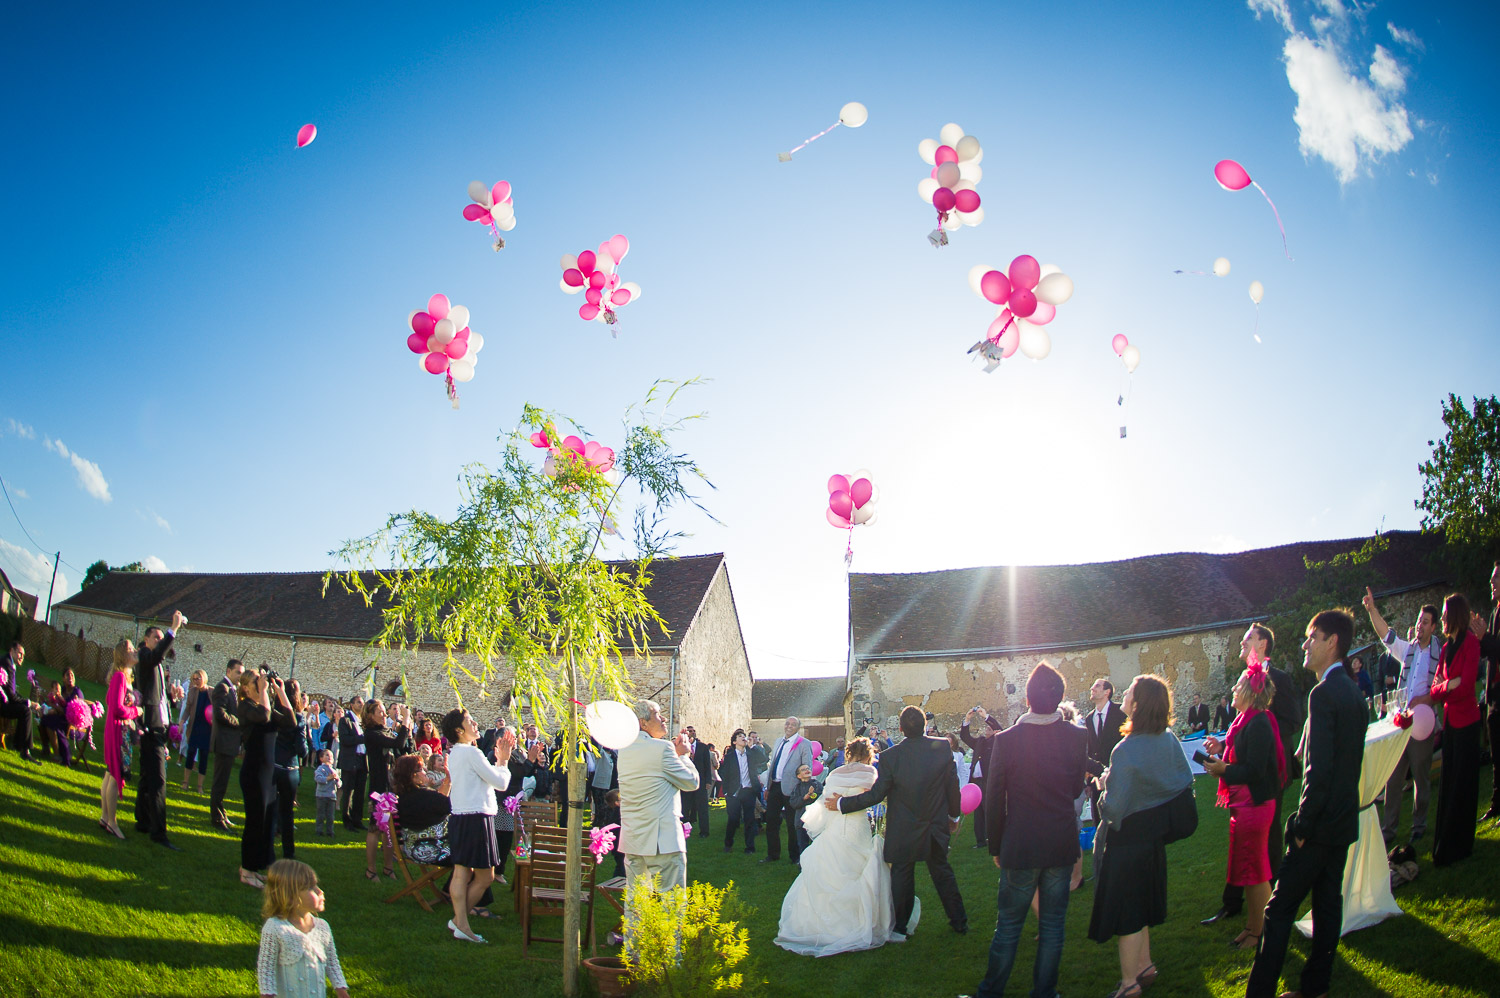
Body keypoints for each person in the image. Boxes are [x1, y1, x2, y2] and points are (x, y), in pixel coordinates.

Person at [1246, 609, 1366, 998]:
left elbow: (1321, 771)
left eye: (1312, 637)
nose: (1305, 644)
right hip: (1345, 821)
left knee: (1278, 911)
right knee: (1328, 907)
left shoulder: (1323, 692)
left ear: (1333, 643)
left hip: (1318, 828)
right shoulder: (1354, 692)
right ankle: (1317, 989)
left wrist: (1301, 825)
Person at [964, 663, 1087, 998]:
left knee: (1009, 926)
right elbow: (1076, 788)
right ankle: (1044, 992)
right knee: (1051, 926)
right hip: (1059, 841)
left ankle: (991, 992)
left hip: (1021, 843)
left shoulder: (1009, 739)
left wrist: (995, 847)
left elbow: (994, 797)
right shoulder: (1076, 735)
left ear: (1028, 700)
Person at [1088, 674, 1193, 998]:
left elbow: (1114, 810)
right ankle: (1145, 965)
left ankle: (1129, 983)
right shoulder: (1169, 739)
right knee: (1143, 904)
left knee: (1128, 913)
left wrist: (1104, 787)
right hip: (1153, 840)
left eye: (1130, 692)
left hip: (1126, 843)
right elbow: (1183, 780)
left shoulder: (1126, 749)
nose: (1124, 697)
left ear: (1138, 703)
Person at [826, 704, 967, 939]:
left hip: (904, 827)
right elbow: (952, 786)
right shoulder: (942, 748)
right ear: (925, 726)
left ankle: (900, 927)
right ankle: (959, 921)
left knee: (902, 875)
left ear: (900, 728)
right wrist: (953, 815)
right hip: (933, 823)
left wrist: (842, 803)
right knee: (941, 872)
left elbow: (877, 794)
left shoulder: (891, 757)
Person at [1202, 624, 1305, 927]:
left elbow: (1292, 720)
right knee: (1242, 840)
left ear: (1261, 643)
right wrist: (1225, 744)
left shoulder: (1280, 679)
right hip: (1243, 771)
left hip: (1267, 772)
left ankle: (1269, 906)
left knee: (1267, 841)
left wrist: (1263, 735)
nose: (1241, 649)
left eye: (1245, 642)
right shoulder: (1244, 681)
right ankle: (1233, 903)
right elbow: (1240, 726)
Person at [775, 737, 897, 956]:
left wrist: (837, 804)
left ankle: (821, 925)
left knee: (830, 870)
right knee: (856, 868)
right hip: (857, 827)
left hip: (834, 829)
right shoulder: (870, 773)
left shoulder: (834, 774)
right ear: (868, 754)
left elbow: (826, 804)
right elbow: (874, 798)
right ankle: (857, 923)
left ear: (848, 754)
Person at [1201, 661, 1286, 951]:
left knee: (1256, 871)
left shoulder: (1260, 722)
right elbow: (1242, 753)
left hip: (1255, 805)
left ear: (1250, 691)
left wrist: (1224, 770)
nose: (1233, 690)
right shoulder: (1244, 722)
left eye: (1237, 686)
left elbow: (1255, 770)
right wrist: (1221, 749)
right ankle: (1252, 925)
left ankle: (1260, 931)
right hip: (1243, 805)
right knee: (1249, 872)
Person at [1361, 590, 1441, 845]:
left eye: (1425, 622)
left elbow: (1443, 686)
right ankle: (1389, 830)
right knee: (1393, 778)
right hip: (1402, 722)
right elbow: (1386, 635)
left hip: (1424, 724)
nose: (1419, 626)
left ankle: (1419, 824)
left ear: (1434, 626)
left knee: (1420, 776)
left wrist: (1425, 700)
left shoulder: (1441, 654)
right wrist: (1372, 609)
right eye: (1418, 621)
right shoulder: (1408, 650)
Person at [441, 707, 514, 943]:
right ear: (459, 730)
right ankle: (461, 922)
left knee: (469, 873)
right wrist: (503, 760)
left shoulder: (457, 753)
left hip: (463, 816)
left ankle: (459, 920)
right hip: (474, 817)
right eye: (469, 721)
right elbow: (500, 782)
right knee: (478, 876)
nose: (475, 724)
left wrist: (497, 761)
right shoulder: (471, 754)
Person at [618, 699, 699, 892]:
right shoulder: (663, 748)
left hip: (633, 837)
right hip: (662, 841)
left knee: (636, 902)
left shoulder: (624, 750)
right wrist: (684, 756)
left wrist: (675, 754)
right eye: (657, 714)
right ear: (643, 723)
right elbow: (691, 782)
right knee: (672, 902)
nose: (663, 718)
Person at [1429, 593, 1481, 866]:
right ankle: (1447, 841)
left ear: (1456, 614)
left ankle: (1462, 843)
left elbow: (1469, 685)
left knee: (1465, 783)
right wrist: (1449, 685)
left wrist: (1448, 687)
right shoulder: (1447, 648)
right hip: (1451, 723)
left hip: (1468, 722)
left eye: (1446, 613)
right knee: (1450, 784)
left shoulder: (1471, 643)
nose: (1444, 618)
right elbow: (1436, 689)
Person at [255, 858, 349, 998]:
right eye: (311, 888)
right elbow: (266, 970)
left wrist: (341, 991)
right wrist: (267, 995)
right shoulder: (275, 928)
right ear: (291, 896)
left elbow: (332, 963)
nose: (320, 891)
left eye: (317, 885)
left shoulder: (322, 927)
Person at [239, 669, 295, 889]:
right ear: (245, 687)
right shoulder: (245, 707)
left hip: (268, 773)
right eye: (255, 680)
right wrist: (264, 691)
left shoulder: (265, 706)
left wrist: (280, 691)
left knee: (266, 822)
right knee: (254, 821)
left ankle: (256, 866)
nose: (260, 683)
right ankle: (246, 870)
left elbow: (290, 722)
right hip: (253, 772)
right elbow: (263, 716)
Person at [133, 612, 185, 850]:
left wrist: (173, 700)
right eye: (157, 636)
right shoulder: (144, 655)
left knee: (147, 776)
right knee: (158, 781)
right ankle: (159, 833)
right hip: (151, 726)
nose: (160, 639)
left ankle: (142, 821)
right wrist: (173, 629)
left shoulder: (155, 664)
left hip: (159, 725)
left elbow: (157, 697)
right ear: (146, 639)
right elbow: (155, 656)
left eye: (162, 637)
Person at [361, 699, 411, 880]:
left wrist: (406, 728)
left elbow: (403, 747)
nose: (384, 715)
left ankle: (388, 867)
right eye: (380, 712)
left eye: (384, 711)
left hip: (391, 789)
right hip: (378, 789)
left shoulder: (385, 731)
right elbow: (397, 744)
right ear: (370, 715)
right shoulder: (372, 734)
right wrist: (405, 721)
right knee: (375, 829)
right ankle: (371, 869)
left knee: (390, 830)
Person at [99, 639, 142, 839]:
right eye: (131, 650)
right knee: (115, 775)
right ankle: (112, 822)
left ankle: (105, 817)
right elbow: (116, 707)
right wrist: (136, 710)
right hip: (117, 731)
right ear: (123, 655)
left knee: (110, 774)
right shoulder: (119, 677)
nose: (135, 652)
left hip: (119, 730)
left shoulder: (124, 677)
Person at [761, 716, 814, 865]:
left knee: (792, 824)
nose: (789, 726)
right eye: (787, 723)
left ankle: (795, 856)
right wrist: (768, 786)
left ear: (798, 727)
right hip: (775, 787)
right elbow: (772, 765)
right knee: (771, 821)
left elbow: (807, 767)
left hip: (793, 789)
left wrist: (802, 789)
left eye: (793, 724)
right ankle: (772, 854)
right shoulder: (779, 741)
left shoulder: (803, 744)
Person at [1472, 560, 1500, 822]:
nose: (1491, 584)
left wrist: (1486, 639)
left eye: (1495, 579)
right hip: (1494, 693)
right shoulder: (1494, 613)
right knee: (1496, 753)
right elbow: (1489, 652)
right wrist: (1477, 640)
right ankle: (1497, 802)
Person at [273, 679, 311, 860]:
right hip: (289, 768)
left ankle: (268, 853)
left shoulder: (272, 714)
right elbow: (302, 750)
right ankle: (289, 854)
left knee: (271, 810)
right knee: (286, 813)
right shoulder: (298, 718)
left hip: (273, 765)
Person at [1083, 678, 1126, 821]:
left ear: (1107, 692)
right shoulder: (1089, 718)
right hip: (1097, 779)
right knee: (1099, 819)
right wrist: (1089, 783)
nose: (1092, 688)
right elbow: (1089, 750)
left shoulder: (1120, 713)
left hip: (1119, 774)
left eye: (1097, 686)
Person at [209, 658, 245, 831]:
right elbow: (220, 713)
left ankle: (221, 813)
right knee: (219, 782)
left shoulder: (233, 689)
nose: (240, 675)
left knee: (223, 782)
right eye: (238, 672)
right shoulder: (222, 688)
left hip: (230, 743)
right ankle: (216, 817)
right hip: (223, 742)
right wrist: (239, 722)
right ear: (229, 671)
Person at [959, 707, 1002, 849]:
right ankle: (980, 841)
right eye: (986, 728)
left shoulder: (997, 741)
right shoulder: (980, 742)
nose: (987, 730)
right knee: (978, 814)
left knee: (989, 810)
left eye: (989, 729)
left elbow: (1000, 730)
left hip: (988, 781)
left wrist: (986, 717)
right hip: (977, 783)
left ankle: (994, 838)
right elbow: (965, 737)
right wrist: (967, 720)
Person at [718, 728, 759, 853]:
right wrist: (726, 791)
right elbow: (723, 773)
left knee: (749, 819)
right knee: (733, 819)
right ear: (735, 742)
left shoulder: (751, 754)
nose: (743, 738)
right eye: (740, 736)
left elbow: (763, 759)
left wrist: (753, 746)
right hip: (734, 792)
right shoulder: (729, 757)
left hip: (748, 791)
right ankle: (728, 843)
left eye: (744, 736)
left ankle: (750, 847)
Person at [0, 640, 38, 762]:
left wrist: (25, 701)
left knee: (25, 709)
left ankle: (20, 746)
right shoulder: (7, 664)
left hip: (4, 701)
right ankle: (24, 750)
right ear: (12, 651)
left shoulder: (8, 662)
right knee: (26, 711)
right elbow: (11, 695)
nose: (22, 657)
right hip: (2, 704)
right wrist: (28, 703)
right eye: (20, 653)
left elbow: (11, 691)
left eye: (23, 655)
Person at [40, 670, 85, 767]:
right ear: (63, 679)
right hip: (62, 719)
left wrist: (57, 708)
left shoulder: (77, 692)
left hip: (73, 724)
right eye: (67, 675)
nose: (70, 677)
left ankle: (58, 755)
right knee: (44, 719)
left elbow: (74, 713)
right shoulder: (62, 689)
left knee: (50, 722)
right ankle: (46, 747)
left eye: (72, 675)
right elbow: (55, 701)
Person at [177, 670, 212, 794]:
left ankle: (199, 786)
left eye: (198, 678)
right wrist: (181, 722)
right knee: (190, 753)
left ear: (204, 678)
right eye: (194, 679)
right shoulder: (192, 692)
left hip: (207, 730)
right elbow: (187, 709)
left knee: (203, 757)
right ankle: (185, 782)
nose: (196, 681)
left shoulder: (211, 692)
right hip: (195, 727)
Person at [338, 696, 367, 830]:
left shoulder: (363, 722)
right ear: (351, 704)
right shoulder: (345, 721)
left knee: (360, 791)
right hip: (350, 758)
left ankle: (357, 819)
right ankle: (347, 819)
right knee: (349, 790)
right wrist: (361, 738)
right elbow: (345, 740)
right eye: (358, 703)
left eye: (362, 703)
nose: (361, 705)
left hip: (362, 758)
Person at [680, 724, 713, 837]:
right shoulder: (681, 747)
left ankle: (704, 831)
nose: (692, 732)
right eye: (689, 731)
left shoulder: (703, 747)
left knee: (702, 808)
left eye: (693, 731)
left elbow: (707, 765)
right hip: (686, 781)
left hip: (701, 781)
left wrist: (708, 781)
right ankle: (684, 830)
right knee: (685, 807)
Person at [787, 762, 822, 856]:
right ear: (799, 776)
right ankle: (803, 865)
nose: (807, 770)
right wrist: (805, 797)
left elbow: (819, 798)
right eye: (803, 769)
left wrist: (812, 795)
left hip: (815, 820)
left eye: (808, 768)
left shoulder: (817, 784)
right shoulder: (797, 788)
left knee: (817, 845)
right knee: (803, 846)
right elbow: (793, 803)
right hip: (801, 821)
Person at [313, 750, 340, 837]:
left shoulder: (334, 770)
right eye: (327, 755)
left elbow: (339, 785)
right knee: (321, 814)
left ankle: (330, 831)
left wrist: (337, 780)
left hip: (332, 796)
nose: (329, 757)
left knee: (330, 816)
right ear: (321, 758)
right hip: (321, 795)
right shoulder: (320, 769)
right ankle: (319, 830)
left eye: (331, 756)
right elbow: (318, 779)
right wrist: (328, 778)